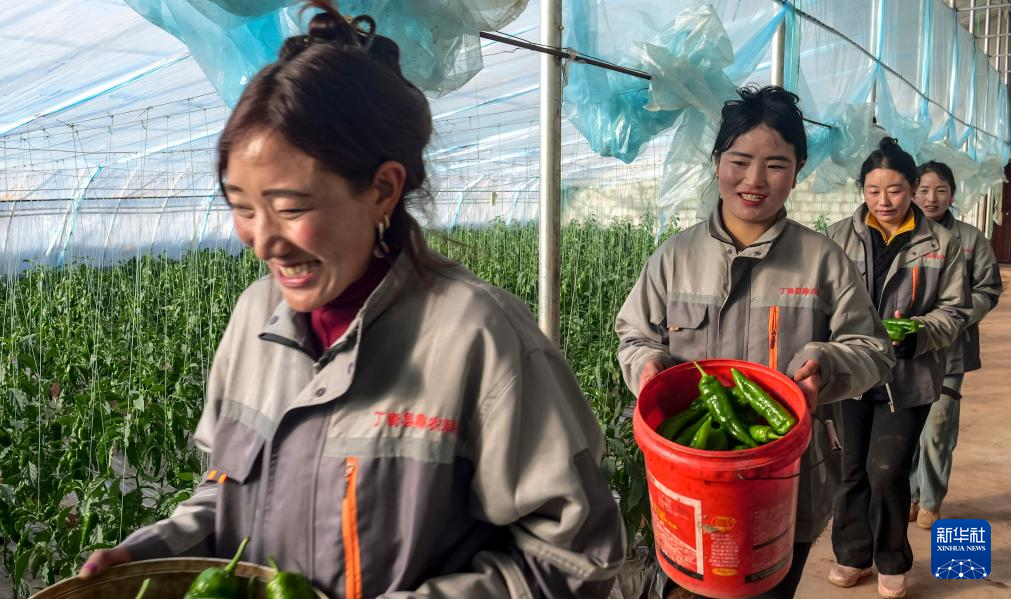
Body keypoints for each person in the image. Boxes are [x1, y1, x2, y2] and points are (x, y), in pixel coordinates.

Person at [78, 2, 626, 596]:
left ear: (383, 190)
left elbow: (577, 560)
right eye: (241, 207)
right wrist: (151, 555)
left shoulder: (478, 338)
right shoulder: (254, 318)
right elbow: (225, 492)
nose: (264, 241)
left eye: (291, 208)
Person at [615, 85, 895, 599]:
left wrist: (826, 362)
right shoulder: (674, 257)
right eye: (739, 161)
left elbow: (874, 349)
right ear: (717, 161)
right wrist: (648, 366)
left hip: (787, 481)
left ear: (798, 169)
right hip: (692, 476)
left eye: (776, 165)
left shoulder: (822, 261)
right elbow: (633, 334)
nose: (754, 180)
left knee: (770, 586)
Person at [825, 139, 971, 598]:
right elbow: (820, 300)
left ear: (911, 189)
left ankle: (891, 558)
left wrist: (919, 334)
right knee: (850, 468)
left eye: (895, 190)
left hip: (908, 377)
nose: (883, 201)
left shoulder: (942, 244)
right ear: (862, 190)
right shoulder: (836, 237)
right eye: (873, 191)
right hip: (849, 373)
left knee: (886, 470)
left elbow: (955, 309)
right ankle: (852, 554)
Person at [908, 161, 1003, 529]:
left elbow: (988, 288)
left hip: (950, 349)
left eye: (940, 190)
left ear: (952, 195)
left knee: (938, 426)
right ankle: (910, 495)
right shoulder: (902, 234)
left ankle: (930, 500)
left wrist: (955, 317)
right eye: (923, 190)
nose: (931, 198)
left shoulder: (970, 239)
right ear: (912, 192)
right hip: (905, 350)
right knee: (905, 426)